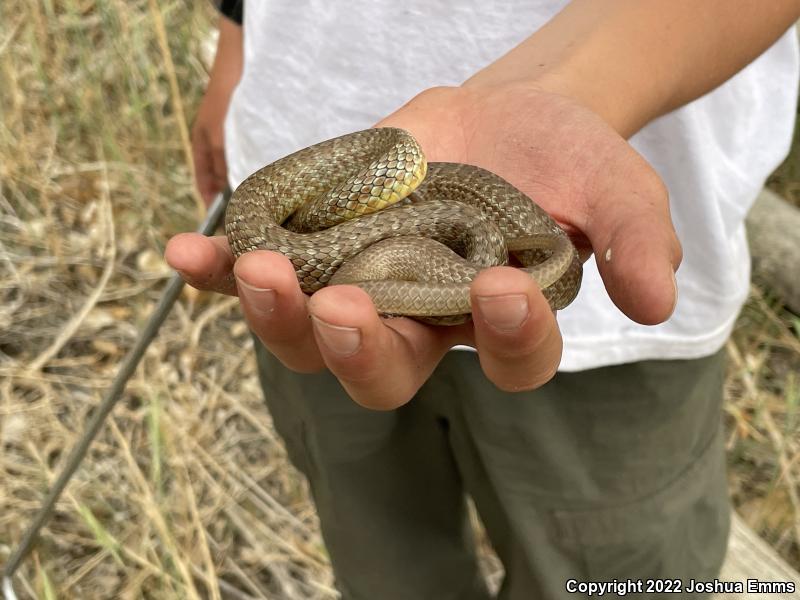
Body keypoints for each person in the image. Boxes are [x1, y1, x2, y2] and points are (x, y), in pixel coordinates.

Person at [166, 2, 800, 598]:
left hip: (606, 353)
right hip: (292, 209)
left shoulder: (462, 217)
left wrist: (571, 88)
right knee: (383, 565)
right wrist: (235, 35)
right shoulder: (311, 231)